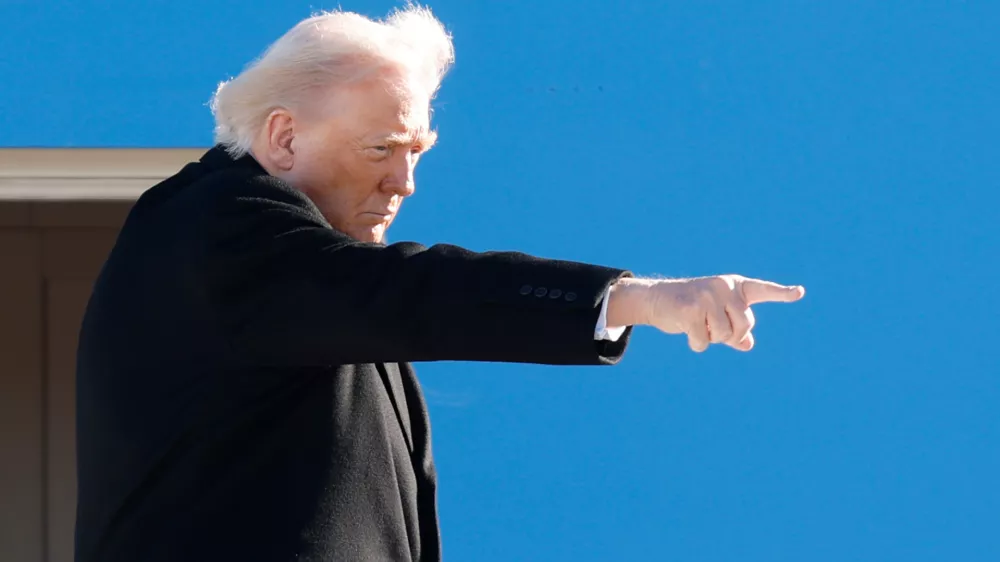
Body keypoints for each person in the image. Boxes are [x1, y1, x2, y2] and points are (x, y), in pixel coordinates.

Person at [74, 5, 806, 562]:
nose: (405, 181)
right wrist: (635, 299)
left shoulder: (308, 281)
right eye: (381, 149)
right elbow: (415, 291)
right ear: (284, 137)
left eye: (418, 149)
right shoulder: (215, 230)